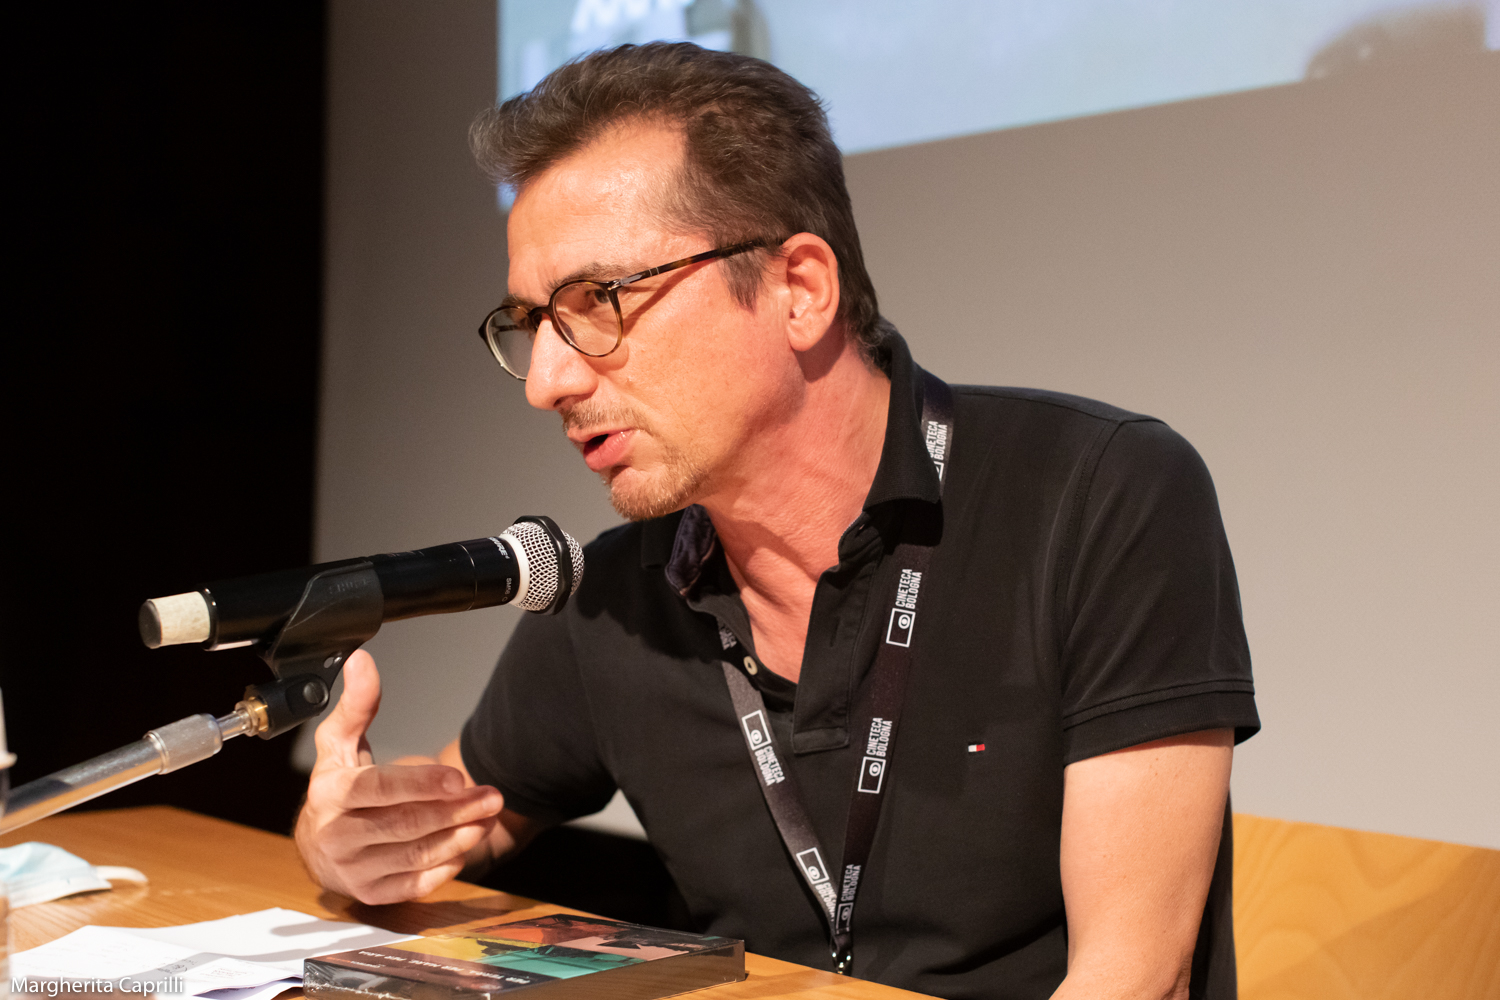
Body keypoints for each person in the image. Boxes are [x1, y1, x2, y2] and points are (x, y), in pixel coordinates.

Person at [295, 43, 1258, 1000]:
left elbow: (1135, 978)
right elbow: (453, 813)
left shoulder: (1098, 494)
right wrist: (349, 837)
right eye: (532, 323)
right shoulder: (619, 597)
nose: (546, 381)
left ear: (799, 289)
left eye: (598, 301)